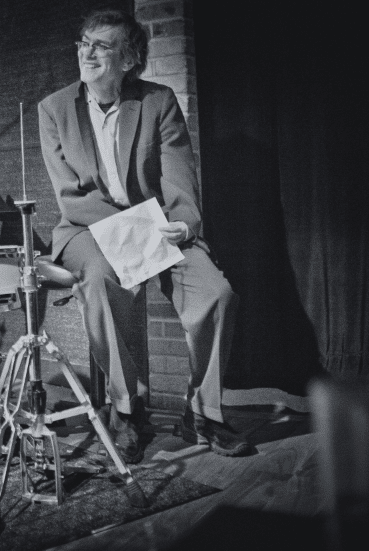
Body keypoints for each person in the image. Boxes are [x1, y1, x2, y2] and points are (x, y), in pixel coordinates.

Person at [38, 9, 250, 463]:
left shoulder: (158, 101)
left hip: (156, 224)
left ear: (130, 59)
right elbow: (71, 195)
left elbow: (178, 178)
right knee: (100, 281)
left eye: (101, 46)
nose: (86, 52)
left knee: (216, 293)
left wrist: (185, 223)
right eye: (82, 42)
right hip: (86, 229)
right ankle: (128, 410)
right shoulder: (54, 109)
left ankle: (203, 411)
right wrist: (124, 238)